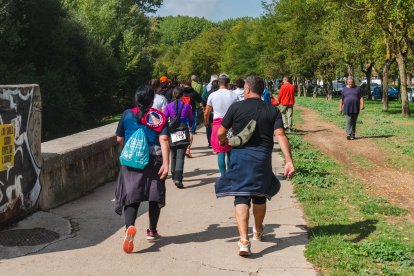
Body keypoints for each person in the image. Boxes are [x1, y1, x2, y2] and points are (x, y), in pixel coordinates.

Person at [216, 75, 295, 256]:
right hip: (262, 161)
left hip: (239, 160)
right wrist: (289, 160)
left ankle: (244, 241)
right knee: (259, 197)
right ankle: (257, 231)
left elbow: (221, 133)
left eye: (244, 88)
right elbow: (281, 135)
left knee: (241, 198)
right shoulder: (272, 110)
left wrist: (224, 141)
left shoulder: (236, 108)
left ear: (248, 89)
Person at [115, 85, 170, 253]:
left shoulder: (127, 114)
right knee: (154, 195)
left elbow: (119, 138)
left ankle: (129, 227)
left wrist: (132, 149)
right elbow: (165, 139)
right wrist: (166, 163)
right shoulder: (159, 117)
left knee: (132, 196)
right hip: (154, 160)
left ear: (136, 99)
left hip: (131, 162)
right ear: (153, 100)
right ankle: (152, 231)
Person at [204, 73, 238, 176]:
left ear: (218, 83)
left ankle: (223, 176)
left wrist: (206, 122)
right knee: (230, 150)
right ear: (228, 83)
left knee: (220, 151)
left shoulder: (212, 95)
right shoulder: (234, 95)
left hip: (218, 125)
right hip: (231, 125)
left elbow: (206, 113)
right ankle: (230, 174)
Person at [164, 87, 194, 188]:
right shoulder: (187, 106)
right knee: (180, 156)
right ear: (182, 95)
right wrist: (190, 127)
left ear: (173, 95)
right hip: (183, 132)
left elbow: (164, 119)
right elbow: (191, 120)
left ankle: (173, 175)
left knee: (173, 154)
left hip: (172, 132)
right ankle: (178, 178)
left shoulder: (168, 106)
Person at [182, 80, 202, 157]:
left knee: (182, 130)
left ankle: (181, 148)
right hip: (191, 113)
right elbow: (200, 99)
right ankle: (188, 149)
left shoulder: (181, 92)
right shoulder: (193, 93)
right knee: (190, 131)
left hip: (181, 114)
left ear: (184, 85)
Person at [202, 79, 219, 148]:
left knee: (209, 128)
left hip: (210, 112)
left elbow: (203, 99)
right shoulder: (219, 92)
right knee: (217, 128)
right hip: (218, 113)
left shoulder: (209, 93)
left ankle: (210, 143)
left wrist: (204, 107)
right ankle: (217, 142)